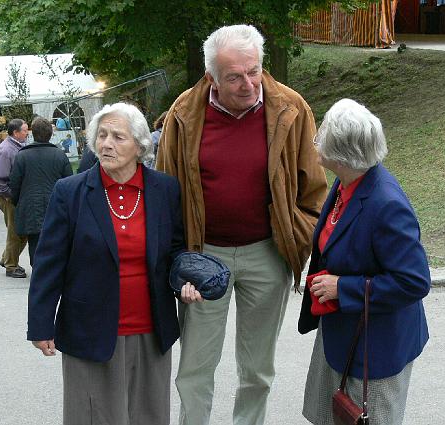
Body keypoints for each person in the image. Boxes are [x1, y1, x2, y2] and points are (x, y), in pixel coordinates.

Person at [156, 24, 328, 425]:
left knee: (257, 370)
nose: (248, 83)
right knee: (194, 368)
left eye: (253, 71)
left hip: (267, 253)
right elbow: (166, 193)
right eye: (234, 76)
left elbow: (314, 187)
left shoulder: (291, 108)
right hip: (204, 255)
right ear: (211, 76)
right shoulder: (184, 113)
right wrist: (178, 261)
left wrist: (299, 241)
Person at [27, 102, 196, 425]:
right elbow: (49, 262)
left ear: (139, 146)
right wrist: (40, 323)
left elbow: (175, 249)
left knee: (148, 414)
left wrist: (186, 280)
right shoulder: (70, 192)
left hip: (151, 328)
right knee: (93, 416)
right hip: (88, 328)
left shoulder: (164, 189)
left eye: (118, 137)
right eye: (102, 135)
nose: (107, 143)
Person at [298, 99, 430, 425]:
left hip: (376, 348)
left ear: (342, 154)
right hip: (341, 334)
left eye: (323, 135)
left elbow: (413, 281)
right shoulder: (347, 184)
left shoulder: (386, 204)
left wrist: (344, 287)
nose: (316, 140)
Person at [10, 117, 72, 266]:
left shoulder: (22, 156)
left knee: (35, 242)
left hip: (31, 206)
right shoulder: (59, 155)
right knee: (56, 241)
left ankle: (38, 270)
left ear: (32, 133)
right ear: (51, 134)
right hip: (55, 206)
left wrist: (18, 202)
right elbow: (69, 183)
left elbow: (15, 184)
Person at [0, 119, 29, 278]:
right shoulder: (6, 150)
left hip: (13, 195)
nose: (28, 133)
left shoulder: (16, 146)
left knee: (22, 231)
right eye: (25, 130)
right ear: (16, 132)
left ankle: (7, 259)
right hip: (8, 196)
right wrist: (10, 195)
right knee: (16, 231)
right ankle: (11, 266)